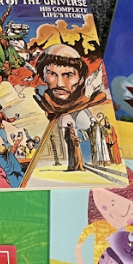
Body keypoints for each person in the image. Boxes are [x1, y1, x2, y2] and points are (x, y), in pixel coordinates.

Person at [33, 45, 108, 174]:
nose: (60, 84)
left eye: (68, 75)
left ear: (81, 79)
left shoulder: (94, 101)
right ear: (42, 76)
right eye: (52, 74)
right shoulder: (42, 99)